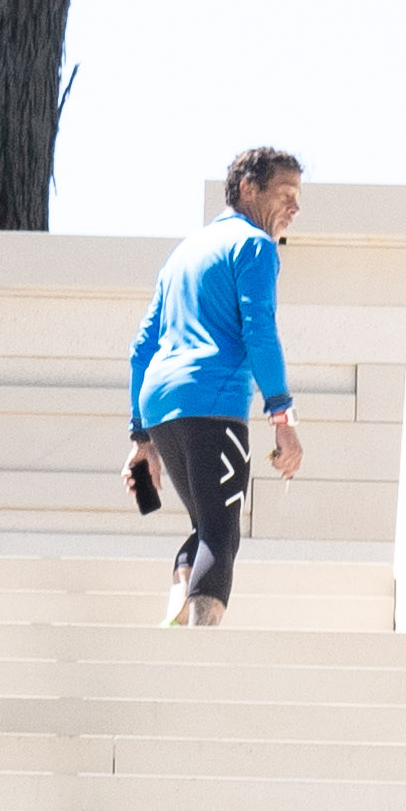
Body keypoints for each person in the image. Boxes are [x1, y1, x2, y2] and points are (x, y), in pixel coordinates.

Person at [127, 149, 309, 627]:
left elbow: (141, 347)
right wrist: (283, 418)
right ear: (248, 189)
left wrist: (141, 437)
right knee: (222, 536)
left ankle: (179, 601)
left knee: (206, 526)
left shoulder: (183, 253)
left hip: (161, 405)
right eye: (285, 194)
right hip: (213, 404)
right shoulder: (254, 246)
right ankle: (197, 644)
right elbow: (260, 331)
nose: (295, 208)